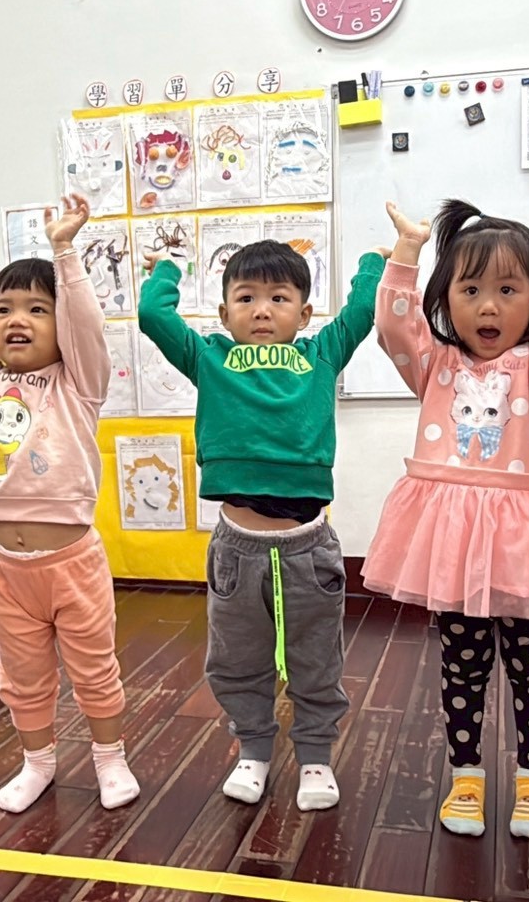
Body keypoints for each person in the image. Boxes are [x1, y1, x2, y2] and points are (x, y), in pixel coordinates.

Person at [363, 199, 529, 840]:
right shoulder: (435, 367)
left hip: (525, 548)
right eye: (470, 290)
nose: (489, 307)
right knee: (462, 667)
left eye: (509, 290)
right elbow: (393, 329)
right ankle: (466, 776)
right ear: (445, 299)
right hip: (453, 546)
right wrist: (407, 250)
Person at [136, 233, 383, 811]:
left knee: (316, 659)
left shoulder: (321, 352)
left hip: (308, 548)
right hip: (236, 549)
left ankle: (315, 756)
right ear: (225, 315)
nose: (263, 310)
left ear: (304, 312)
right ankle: (253, 749)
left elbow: (363, 310)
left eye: (278, 298)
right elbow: (152, 315)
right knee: (236, 659)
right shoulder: (210, 356)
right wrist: (166, 269)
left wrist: (380, 258)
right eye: (246, 298)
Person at [0, 195, 139, 814]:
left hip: (71, 564)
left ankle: (109, 758)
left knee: (93, 668)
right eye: (3, 310)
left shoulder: (79, 383)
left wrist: (65, 252)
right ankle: (38, 762)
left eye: (35, 309)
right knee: (21, 676)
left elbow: (85, 324)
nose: (15, 320)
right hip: (7, 567)